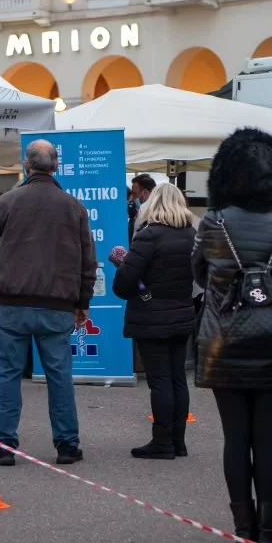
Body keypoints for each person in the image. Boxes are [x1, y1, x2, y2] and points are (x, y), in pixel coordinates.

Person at [192, 128, 272, 543]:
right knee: (267, 439)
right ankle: (269, 536)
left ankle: (244, 536)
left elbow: (199, 273)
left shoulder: (213, 222)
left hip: (224, 338)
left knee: (235, 438)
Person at [0, 140, 96, 467]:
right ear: (55, 166)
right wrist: (82, 301)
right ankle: (67, 444)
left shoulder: (6, 203)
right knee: (59, 376)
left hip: (9, 303)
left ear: (26, 166)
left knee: (7, 374)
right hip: (57, 305)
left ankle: (5, 445)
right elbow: (87, 259)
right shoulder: (74, 207)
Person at [112, 183, 196, 461]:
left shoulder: (148, 235)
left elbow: (124, 283)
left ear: (153, 204)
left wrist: (122, 264)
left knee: (159, 380)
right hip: (182, 314)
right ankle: (178, 441)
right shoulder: (191, 235)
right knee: (177, 378)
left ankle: (162, 442)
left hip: (151, 317)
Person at [127, 173, 156, 241]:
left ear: (145, 192)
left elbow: (137, 237)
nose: (132, 198)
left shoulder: (144, 208)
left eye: (134, 194)